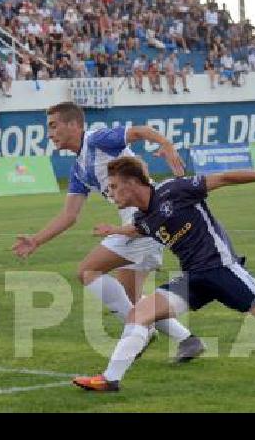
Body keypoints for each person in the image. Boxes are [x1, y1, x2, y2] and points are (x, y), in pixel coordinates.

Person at [72, 157, 255, 392]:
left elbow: (223, 179)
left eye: (113, 186)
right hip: (194, 278)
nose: (109, 193)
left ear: (133, 183)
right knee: (140, 314)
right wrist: (114, 231)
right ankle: (110, 379)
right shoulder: (143, 219)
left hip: (222, 269)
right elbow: (136, 229)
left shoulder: (175, 190)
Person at [11, 102, 205, 362]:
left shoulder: (97, 140)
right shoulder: (79, 168)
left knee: (88, 271)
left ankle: (140, 331)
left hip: (143, 222)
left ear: (74, 125)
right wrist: (35, 240)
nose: (49, 133)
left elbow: (139, 132)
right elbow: (70, 215)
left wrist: (166, 145)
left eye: (54, 126)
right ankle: (187, 340)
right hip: (140, 226)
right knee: (133, 300)